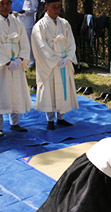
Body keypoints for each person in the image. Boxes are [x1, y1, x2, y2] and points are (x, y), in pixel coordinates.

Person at [0, 0, 32, 137]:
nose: (5, 7)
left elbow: (25, 43)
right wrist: (6, 62)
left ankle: (15, 123)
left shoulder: (17, 23)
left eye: (7, 3)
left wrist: (20, 59)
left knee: (15, 92)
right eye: (2, 3)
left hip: (16, 62)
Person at [31, 0, 78, 130]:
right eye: (54, 7)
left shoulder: (65, 23)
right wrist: (55, 60)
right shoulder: (39, 26)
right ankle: (50, 119)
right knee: (49, 89)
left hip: (63, 61)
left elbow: (71, 42)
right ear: (46, 7)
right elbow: (41, 47)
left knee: (63, 89)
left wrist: (68, 57)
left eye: (59, 7)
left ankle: (61, 117)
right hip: (50, 64)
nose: (57, 10)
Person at [17, 0, 38, 68]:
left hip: (28, 22)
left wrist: (25, 11)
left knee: (29, 42)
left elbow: (35, 8)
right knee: (20, 42)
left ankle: (31, 61)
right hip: (19, 21)